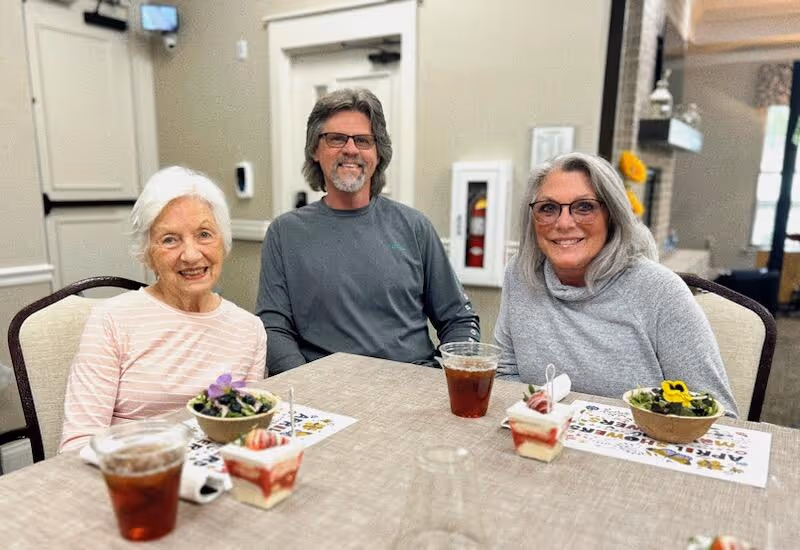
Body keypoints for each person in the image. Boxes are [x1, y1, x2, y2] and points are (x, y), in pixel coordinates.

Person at [494, 152, 738, 416]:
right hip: (540, 443)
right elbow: (505, 373)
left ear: (612, 215)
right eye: (548, 208)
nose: (563, 223)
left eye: (584, 207)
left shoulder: (661, 291)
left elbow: (718, 416)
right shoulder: (520, 274)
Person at [256, 88, 480, 374]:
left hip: (411, 387)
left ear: (378, 153)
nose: (350, 150)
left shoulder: (414, 227)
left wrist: (443, 380)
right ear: (315, 149)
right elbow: (273, 329)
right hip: (325, 396)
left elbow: (460, 320)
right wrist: (305, 387)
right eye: (336, 139)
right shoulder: (285, 234)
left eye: (363, 140)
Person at [60, 167, 267, 451]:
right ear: (147, 254)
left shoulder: (249, 329)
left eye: (204, 234)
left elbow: (249, 430)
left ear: (223, 242)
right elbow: (78, 444)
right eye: (170, 239)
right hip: (135, 475)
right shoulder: (112, 320)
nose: (192, 255)